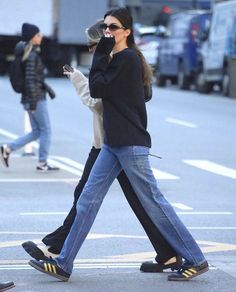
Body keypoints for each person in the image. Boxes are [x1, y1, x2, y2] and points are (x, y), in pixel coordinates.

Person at [28, 8, 209, 282]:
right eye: (105, 27)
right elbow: (105, 88)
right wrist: (103, 55)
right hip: (113, 144)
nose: (108, 32)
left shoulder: (127, 59)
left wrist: (101, 52)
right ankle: (64, 263)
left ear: (127, 31)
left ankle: (196, 259)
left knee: (155, 203)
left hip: (130, 144)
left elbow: (98, 88)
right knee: (87, 200)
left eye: (113, 27)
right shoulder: (120, 59)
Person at [0, 23, 59, 172]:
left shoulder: (26, 53)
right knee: (46, 130)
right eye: (38, 35)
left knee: (36, 132)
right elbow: (31, 81)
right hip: (36, 99)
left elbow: (32, 80)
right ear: (32, 37)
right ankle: (42, 162)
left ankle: (7, 148)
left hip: (30, 98)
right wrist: (33, 103)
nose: (41, 37)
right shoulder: (31, 55)